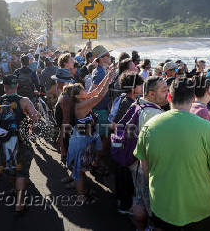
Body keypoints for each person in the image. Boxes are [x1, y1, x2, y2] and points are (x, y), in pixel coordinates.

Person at [135, 78, 210, 230]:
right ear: (193, 99)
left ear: (169, 97)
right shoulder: (207, 128)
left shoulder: (149, 126)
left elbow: (145, 168)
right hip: (200, 209)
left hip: (162, 206)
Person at [0, 75, 39, 214]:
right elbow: (35, 116)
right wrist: (29, 124)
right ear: (17, 85)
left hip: (5, 142)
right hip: (21, 141)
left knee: (11, 167)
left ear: (4, 87)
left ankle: (14, 188)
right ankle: (19, 204)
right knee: (22, 172)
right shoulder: (24, 101)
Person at [64, 68, 115, 203]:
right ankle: (80, 196)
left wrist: (108, 77)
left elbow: (98, 90)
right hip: (81, 141)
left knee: (79, 167)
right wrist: (108, 81)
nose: (86, 91)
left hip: (85, 138)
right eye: (82, 90)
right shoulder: (81, 105)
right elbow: (99, 96)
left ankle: (74, 183)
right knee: (79, 171)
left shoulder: (83, 99)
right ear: (77, 96)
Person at [127, 76, 169, 231]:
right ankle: (146, 227)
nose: (168, 93)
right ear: (151, 94)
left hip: (135, 163)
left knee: (138, 197)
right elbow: (155, 147)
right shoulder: (154, 114)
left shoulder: (138, 103)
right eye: (164, 90)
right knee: (147, 202)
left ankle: (139, 226)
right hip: (144, 167)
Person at [111, 72, 144, 214]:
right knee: (125, 177)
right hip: (125, 148)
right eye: (140, 84)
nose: (143, 86)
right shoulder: (130, 104)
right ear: (133, 88)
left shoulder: (124, 99)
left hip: (120, 146)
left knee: (121, 175)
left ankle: (120, 201)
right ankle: (124, 206)